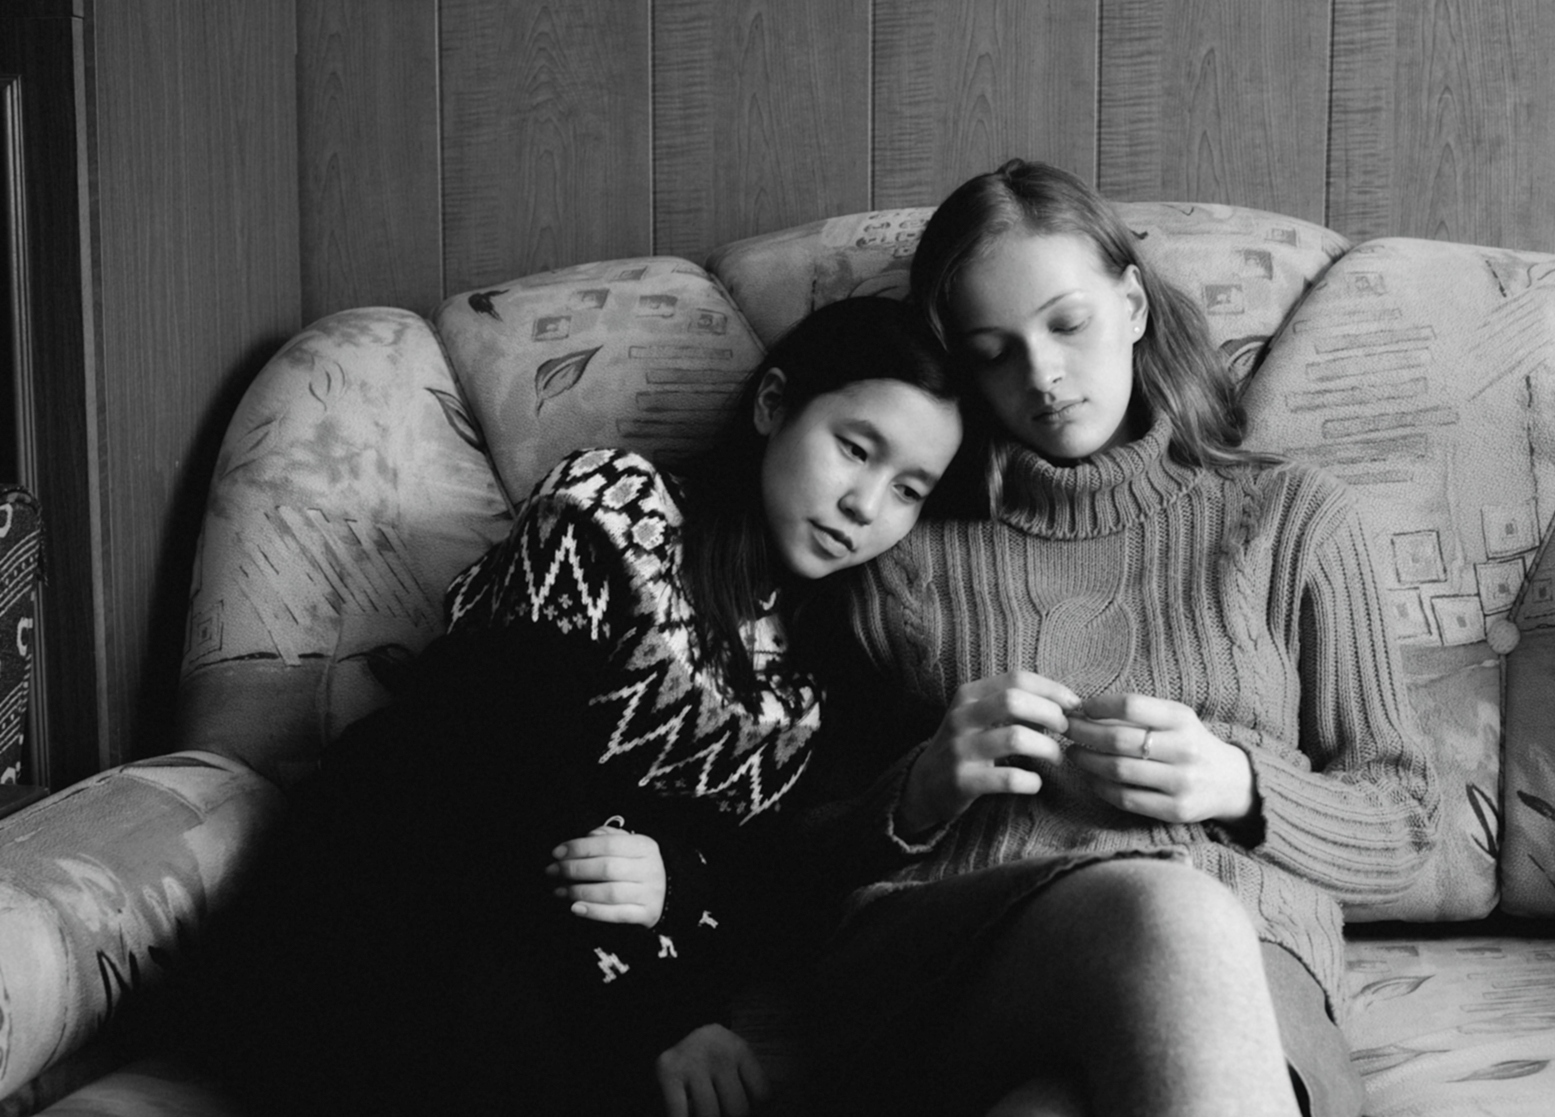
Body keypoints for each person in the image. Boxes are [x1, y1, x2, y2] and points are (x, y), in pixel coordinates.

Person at [161, 296, 965, 1117]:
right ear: (773, 406)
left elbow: (773, 894)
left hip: (562, 960)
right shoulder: (610, 506)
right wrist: (667, 1010)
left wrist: (680, 883)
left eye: (907, 490)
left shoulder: (821, 681)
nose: (867, 506)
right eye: (854, 449)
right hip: (403, 876)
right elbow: (500, 768)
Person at [799, 160, 1437, 1117]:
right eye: (992, 351)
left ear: (1132, 303)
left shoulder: (1294, 520)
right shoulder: (900, 537)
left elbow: (1411, 828)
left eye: (1067, 324)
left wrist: (1242, 785)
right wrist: (922, 788)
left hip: (1250, 969)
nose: (1043, 377)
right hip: (962, 953)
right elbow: (781, 846)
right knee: (1167, 913)